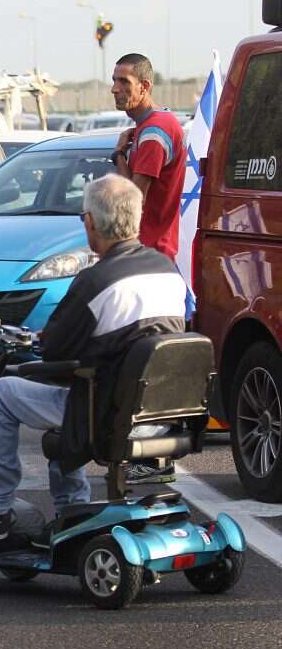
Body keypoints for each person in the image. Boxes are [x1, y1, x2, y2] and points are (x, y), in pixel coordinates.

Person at [0, 175, 187, 540]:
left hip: (107, 413)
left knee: (6, 392)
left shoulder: (96, 281)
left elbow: (55, 349)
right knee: (74, 388)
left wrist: (35, 345)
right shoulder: (168, 271)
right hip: (162, 414)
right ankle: (71, 506)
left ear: (90, 223)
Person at [110, 52, 187, 485]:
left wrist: (121, 158)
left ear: (144, 85)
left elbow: (130, 205)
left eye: (123, 81)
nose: (116, 88)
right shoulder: (152, 128)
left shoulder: (154, 135)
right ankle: (155, 453)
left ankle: (154, 455)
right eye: (114, 80)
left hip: (149, 260)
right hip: (158, 259)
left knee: (145, 362)